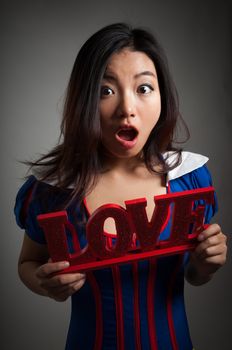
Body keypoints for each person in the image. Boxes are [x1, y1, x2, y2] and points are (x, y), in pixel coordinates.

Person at [14, 23, 227, 350]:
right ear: (83, 100)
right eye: (105, 90)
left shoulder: (189, 178)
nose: (127, 109)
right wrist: (44, 284)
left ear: (162, 96)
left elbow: (194, 276)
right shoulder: (52, 191)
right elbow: (28, 263)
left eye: (144, 88)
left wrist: (205, 265)